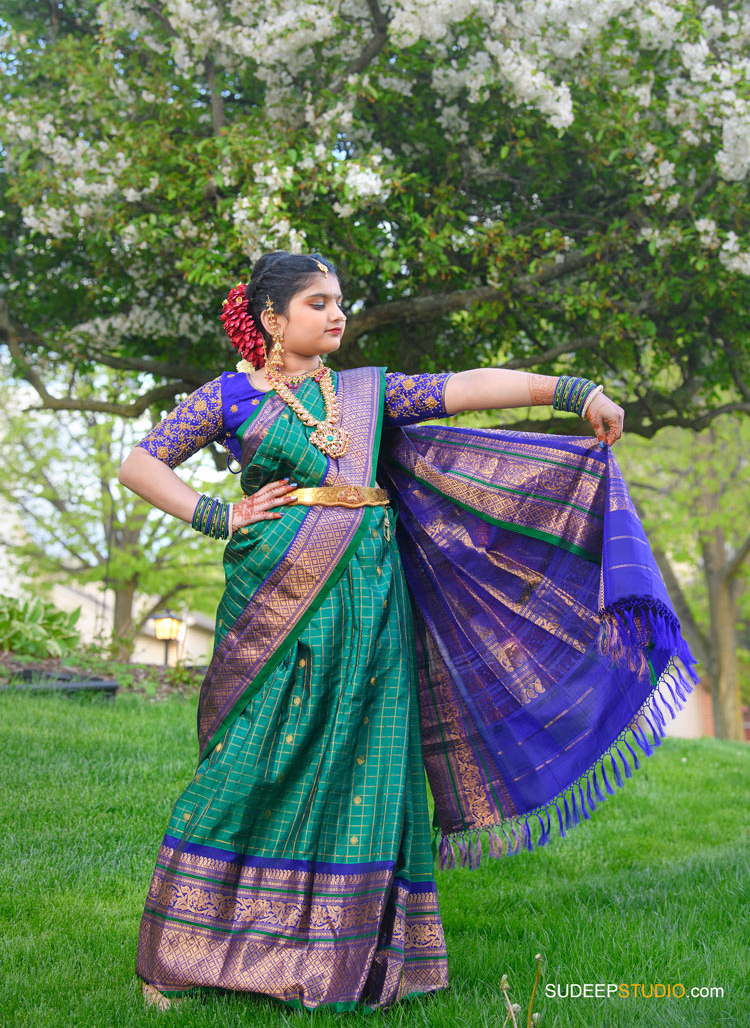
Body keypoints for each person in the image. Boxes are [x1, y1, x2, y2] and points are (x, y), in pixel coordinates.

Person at [118, 250, 698, 1013]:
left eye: (339, 302)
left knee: (368, 762)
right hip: (274, 601)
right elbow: (138, 461)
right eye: (318, 302)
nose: (337, 314)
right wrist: (219, 514)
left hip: (370, 603)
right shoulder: (226, 397)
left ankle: (350, 957)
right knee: (250, 757)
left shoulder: (367, 393)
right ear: (271, 318)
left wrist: (571, 388)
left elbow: (461, 390)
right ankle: (181, 951)